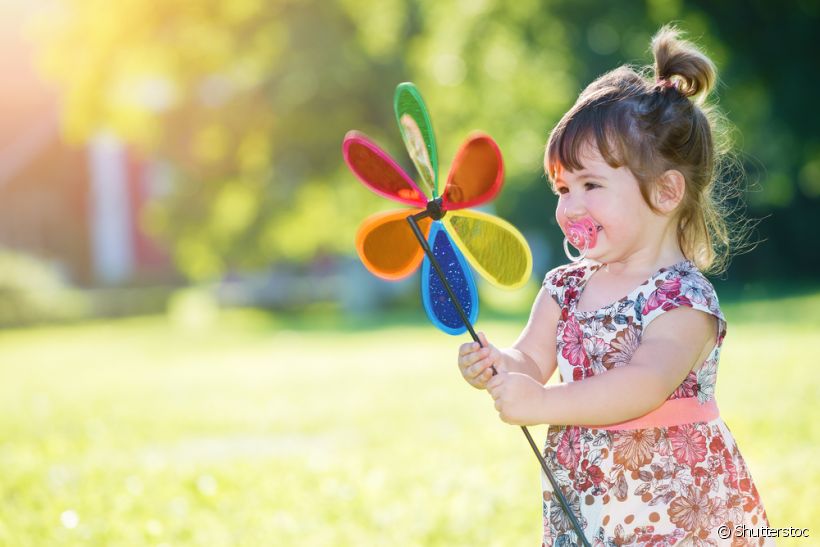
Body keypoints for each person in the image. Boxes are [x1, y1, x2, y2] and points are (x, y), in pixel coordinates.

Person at [457, 25, 771, 546]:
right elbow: (531, 363)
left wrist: (541, 405)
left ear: (666, 191)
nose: (570, 207)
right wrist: (496, 365)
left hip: (675, 512)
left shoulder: (683, 299)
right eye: (562, 188)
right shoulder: (565, 287)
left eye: (591, 185)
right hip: (589, 504)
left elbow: (642, 386)